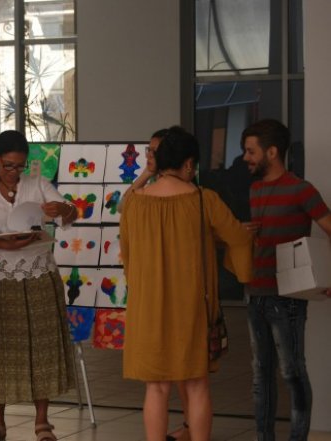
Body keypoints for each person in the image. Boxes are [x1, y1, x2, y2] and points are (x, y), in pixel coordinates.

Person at [120, 126, 253, 441]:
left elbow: (128, 254)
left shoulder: (135, 203)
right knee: (196, 385)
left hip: (147, 308)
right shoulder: (204, 200)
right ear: (189, 164)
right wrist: (243, 264)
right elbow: (237, 237)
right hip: (191, 307)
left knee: (156, 387)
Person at [0, 130, 77, 441]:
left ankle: (43, 421)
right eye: (9, 166)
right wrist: (1, 241)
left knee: (43, 344)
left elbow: (70, 214)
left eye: (20, 166)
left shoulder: (37, 183)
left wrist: (63, 210)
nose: (15, 173)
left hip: (37, 273)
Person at [241, 119, 331, 441]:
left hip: (288, 297)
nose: (245, 158)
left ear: (273, 152)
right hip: (256, 294)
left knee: (292, 372)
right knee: (260, 375)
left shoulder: (301, 189)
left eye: (251, 151)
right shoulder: (255, 189)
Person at [120, 128, 192, 441]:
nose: (149, 155)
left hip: (177, 290)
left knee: (187, 376)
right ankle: (190, 428)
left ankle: (191, 427)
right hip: (163, 292)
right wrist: (144, 176)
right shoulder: (146, 194)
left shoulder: (187, 192)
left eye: (154, 151)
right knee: (178, 376)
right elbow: (125, 206)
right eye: (147, 150)